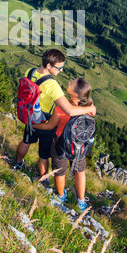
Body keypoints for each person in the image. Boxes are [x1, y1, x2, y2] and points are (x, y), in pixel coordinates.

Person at [14, 49, 96, 185]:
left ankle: (17, 163)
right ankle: (43, 180)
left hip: (29, 116)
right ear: (48, 66)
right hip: (44, 121)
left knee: (26, 141)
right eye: (59, 67)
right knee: (44, 155)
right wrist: (90, 108)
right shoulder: (53, 85)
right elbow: (69, 110)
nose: (61, 70)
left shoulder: (30, 71)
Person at [33, 77, 93, 212]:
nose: (69, 81)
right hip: (79, 146)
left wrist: (34, 124)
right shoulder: (89, 107)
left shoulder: (61, 108)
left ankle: (61, 196)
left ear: (75, 94)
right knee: (80, 171)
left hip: (61, 145)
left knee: (59, 172)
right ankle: (81, 202)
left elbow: (49, 127)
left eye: (72, 83)